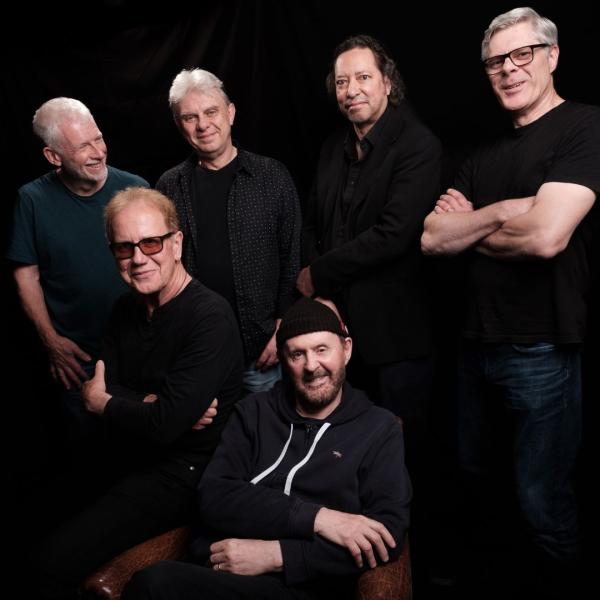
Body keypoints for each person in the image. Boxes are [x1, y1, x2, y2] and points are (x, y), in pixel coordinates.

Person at [421, 7, 600, 595]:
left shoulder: (584, 128)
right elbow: (431, 238)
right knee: (479, 481)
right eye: (496, 60)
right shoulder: (484, 153)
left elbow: (547, 237)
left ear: (552, 56)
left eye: (522, 54)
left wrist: (471, 228)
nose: (508, 69)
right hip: (476, 345)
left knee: (539, 498)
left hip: (542, 349)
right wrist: (503, 211)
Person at [121, 297, 411, 600]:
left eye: (322, 349)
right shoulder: (253, 412)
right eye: (297, 354)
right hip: (221, 573)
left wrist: (277, 555)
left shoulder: (379, 428)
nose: (311, 366)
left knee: (158, 583)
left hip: (306, 587)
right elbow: (214, 495)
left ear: (346, 349)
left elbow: (385, 536)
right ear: (284, 361)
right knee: (153, 583)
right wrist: (320, 518)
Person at [36, 187, 244, 600]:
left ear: (177, 243)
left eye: (151, 242)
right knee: (38, 515)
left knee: (51, 563)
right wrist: (149, 404)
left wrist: (107, 403)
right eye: (125, 247)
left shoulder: (210, 317)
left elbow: (155, 421)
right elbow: (113, 388)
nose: (139, 257)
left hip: (185, 474)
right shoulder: (124, 309)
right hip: (128, 453)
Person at [297, 35, 441, 458]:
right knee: (343, 451)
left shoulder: (418, 144)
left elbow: (393, 234)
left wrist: (317, 274)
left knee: (398, 452)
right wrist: (321, 295)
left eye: (363, 77)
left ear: (388, 83)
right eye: (342, 82)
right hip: (337, 329)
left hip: (396, 337)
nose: (351, 90)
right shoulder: (330, 148)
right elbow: (312, 226)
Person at [6, 97, 149, 443]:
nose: (98, 152)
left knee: (144, 448)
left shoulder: (137, 189)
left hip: (140, 351)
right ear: (53, 156)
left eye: (98, 138)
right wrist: (51, 342)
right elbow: (26, 275)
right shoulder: (32, 200)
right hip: (78, 359)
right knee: (90, 456)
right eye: (83, 146)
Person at [156, 68, 301, 395]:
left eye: (211, 112)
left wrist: (283, 329)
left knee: (264, 439)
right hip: (193, 351)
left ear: (231, 113)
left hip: (261, 351)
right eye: (190, 117)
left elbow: (292, 257)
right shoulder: (169, 187)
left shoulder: (271, 176)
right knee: (203, 442)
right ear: (180, 126)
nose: (203, 124)